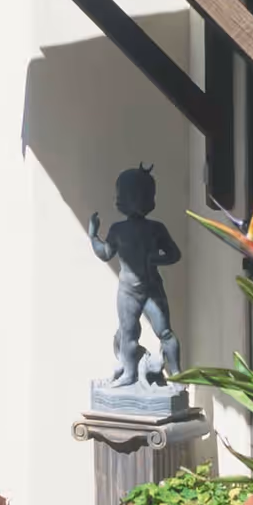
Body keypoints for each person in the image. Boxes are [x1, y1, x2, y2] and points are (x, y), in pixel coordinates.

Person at [88, 163, 182, 387]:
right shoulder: (119, 230)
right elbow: (105, 253)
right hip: (129, 291)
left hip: (150, 288)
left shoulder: (155, 229)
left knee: (164, 332)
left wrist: (155, 259)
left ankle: (178, 375)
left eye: (120, 195)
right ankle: (130, 373)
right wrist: (93, 236)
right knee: (129, 334)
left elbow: (174, 254)